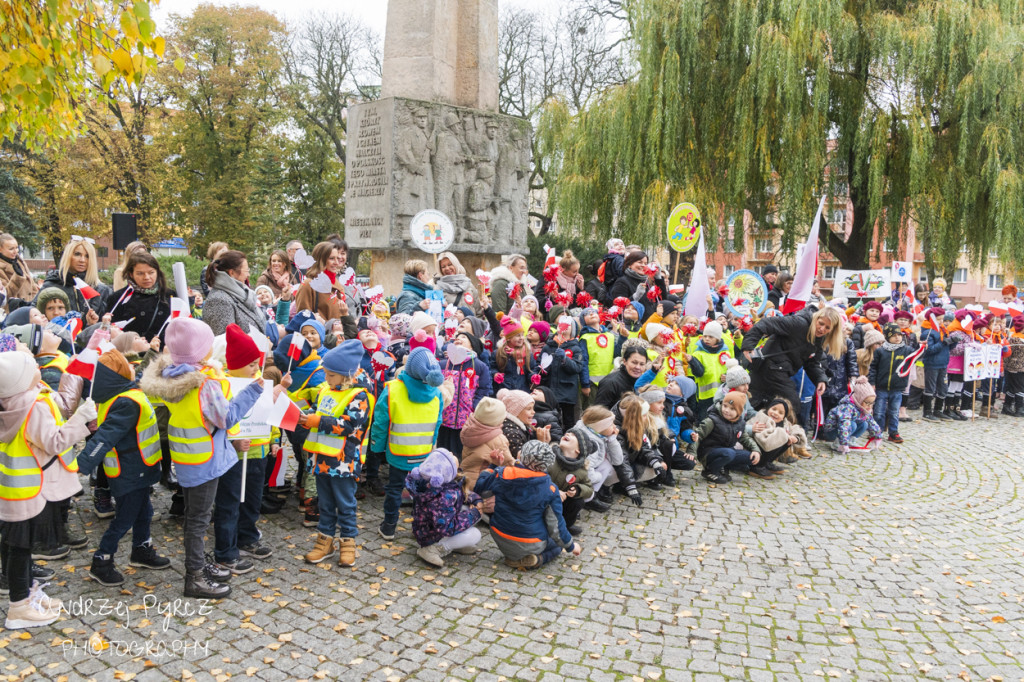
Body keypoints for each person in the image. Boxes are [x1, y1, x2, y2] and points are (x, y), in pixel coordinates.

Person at [139, 317, 264, 598]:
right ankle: (194, 576)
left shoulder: (175, 375)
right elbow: (227, 417)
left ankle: (199, 566)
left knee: (197, 516)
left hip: (189, 457)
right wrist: (254, 391)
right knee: (197, 519)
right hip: (205, 460)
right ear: (201, 351)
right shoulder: (204, 383)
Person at [0, 351, 95, 628]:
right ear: (22, 379)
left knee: (14, 546)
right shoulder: (33, 406)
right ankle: (19, 607)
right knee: (21, 548)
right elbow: (54, 442)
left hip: (14, 490)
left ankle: (29, 592)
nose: (38, 368)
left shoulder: (10, 403)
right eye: (32, 368)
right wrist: (81, 418)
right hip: (32, 490)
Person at [75, 349, 169, 586]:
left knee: (144, 512)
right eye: (126, 367)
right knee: (125, 517)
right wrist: (83, 463)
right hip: (128, 470)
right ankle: (102, 560)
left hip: (138, 467)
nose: (131, 369)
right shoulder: (126, 402)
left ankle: (141, 550)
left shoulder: (123, 395)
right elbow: (105, 436)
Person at [300, 340, 374, 568]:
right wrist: (305, 415)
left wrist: (316, 420)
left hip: (344, 461)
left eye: (330, 375)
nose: (326, 378)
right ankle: (325, 541)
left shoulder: (360, 395)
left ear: (346, 375)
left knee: (345, 504)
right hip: (321, 459)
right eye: (325, 373)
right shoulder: (326, 388)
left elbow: (348, 425)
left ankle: (348, 543)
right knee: (325, 502)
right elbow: (319, 410)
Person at [369, 347, 445, 541]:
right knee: (420, 493)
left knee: (394, 489)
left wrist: (377, 447)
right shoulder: (437, 393)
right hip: (423, 452)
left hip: (398, 452)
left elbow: (380, 421)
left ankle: (389, 526)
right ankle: (420, 526)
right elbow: (437, 424)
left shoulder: (392, 388)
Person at [474, 441, 581, 570]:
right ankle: (538, 559)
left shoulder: (502, 474)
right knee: (558, 546)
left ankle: (515, 558)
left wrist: (493, 466)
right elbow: (556, 527)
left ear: (521, 456)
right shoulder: (551, 490)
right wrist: (571, 546)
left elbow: (481, 489)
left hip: (499, 533)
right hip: (531, 542)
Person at [740, 306, 844, 410]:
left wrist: (820, 379)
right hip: (769, 367)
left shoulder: (820, 339)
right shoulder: (799, 323)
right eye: (821, 323)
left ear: (832, 330)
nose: (822, 329)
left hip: (779, 371)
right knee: (791, 406)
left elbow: (812, 363)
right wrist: (748, 346)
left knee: (755, 405)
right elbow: (766, 323)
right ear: (816, 318)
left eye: (827, 328)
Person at [406, 449, 484, 568]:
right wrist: (473, 514)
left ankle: (454, 544)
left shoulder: (447, 481)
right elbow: (446, 527)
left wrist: (475, 500)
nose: (453, 454)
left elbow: (463, 492)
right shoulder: (442, 497)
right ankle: (433, 549)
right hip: (431, 535)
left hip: (431, 528)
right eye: (451, 457)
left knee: (471, 510)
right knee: (475, 534)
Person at [686, 391, 761, 484]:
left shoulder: (740, 423)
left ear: (739, 412)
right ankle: (709, 471)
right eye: (725, 406)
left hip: (726, 451)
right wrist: (691, 452)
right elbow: (698, 435)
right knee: (729, 453)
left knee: (750, 457)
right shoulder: (712, 420)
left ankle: (722, 468)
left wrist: (756, 450)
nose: (726, 410)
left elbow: (745, 438)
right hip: (708, 453)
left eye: (732, 409)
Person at [39, 236, 109, 324]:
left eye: (87, 256)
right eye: (77, 254)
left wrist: (91, 326)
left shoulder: (101, 290)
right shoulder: (51, 284)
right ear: (68, 256)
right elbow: (35, 313)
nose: (82, 260)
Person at [294, 242, 357, 338]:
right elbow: (303, 320)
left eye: (338, 258)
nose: (336, 262)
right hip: (319, 342)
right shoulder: (308, 285)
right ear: (321, 260)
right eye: (332, 258)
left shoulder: (338, 285)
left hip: (338, 341)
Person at [108, 251, 171, 341]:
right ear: (131, 274)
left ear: (157, 272)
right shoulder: (119, 298)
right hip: (130, 352)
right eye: (140, 273)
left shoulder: (169, 295)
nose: (146, 277)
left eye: (151, 272)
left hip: (163, 352)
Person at [545, 427, 596, 535]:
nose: (568, 434)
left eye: (573, 436)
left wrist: (578, 489)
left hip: (562, 501)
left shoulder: (581, 470)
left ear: (578, 450)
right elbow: (538, 477)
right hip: (544, 495)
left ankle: (566, 525)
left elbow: (589, 489)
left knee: (578, 501)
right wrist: (553, 491)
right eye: (568, 432)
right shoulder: (549, 456)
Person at [202, 250, 265, 336]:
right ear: (232, 272)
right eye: (246, 270)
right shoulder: (219, 301)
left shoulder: (241, 295)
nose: (248, 275)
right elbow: (224, 343)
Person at [460, 397, 513, 493]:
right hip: (483, 483)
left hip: (466, 479)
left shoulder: (470, 429)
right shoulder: (498, 440)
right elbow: (509, 464)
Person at [543, 317, 585, 430]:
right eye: (561, 324)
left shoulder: (576, 348)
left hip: (567, 390)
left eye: (568, 325)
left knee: (568, 419)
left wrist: (565, 359)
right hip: (551, 389)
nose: (564, 328)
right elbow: (541, 364)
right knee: (552, 418)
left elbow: (577, 367)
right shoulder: (549, 346)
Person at [822, 377, 883, 453]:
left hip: (845, 431)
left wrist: (877, 436)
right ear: (859, 399)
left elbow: (871, 422)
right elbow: (844, 425)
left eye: (872, 403)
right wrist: (843, 443)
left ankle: (850, 440)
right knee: (852, 424)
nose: (870, 406)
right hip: (832, 432)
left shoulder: (863, 408)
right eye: (867, 402)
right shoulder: (847, 407)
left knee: (865, 424)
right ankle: (837, 443)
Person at [607, 250, 668, 322]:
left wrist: (658, 278)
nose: (643, 265)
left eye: (645, 263)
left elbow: (663, 299)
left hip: (648, 324)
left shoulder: (645, 281)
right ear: (629, 264)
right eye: (640, 262)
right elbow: (619, 308)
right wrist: (636, 296)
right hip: (631, 326)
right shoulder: (622, 282)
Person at [919, 306, 952, 422]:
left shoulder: (943, 330)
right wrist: (943, 343)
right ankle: (927, 412)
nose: (941, 322)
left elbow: (948, 348)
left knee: (943, 387)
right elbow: (929, 350)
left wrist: (953, 342)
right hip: (932, 364)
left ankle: (938, 410)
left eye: (942, 319)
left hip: (943, 363)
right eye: (938, 319)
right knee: (930, 388)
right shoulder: (927, 332)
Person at [498, 388, 549, 459]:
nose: (533, 412)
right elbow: (524, 460)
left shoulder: (521, 426)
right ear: (515, 411)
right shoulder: (511, 432)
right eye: (529, 409)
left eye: (533, 408)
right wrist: (541, 443)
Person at [594, 342, 648, 409]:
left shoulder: (642, 382)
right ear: (624, 361)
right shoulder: (610, 382)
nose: (638, 367)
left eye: (642, 364)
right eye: (634, 362)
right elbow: (598, 412)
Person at [0, 234, 39, 309]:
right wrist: (17, 277)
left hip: (30, 308)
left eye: (17, 248)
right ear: (0, 249)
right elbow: (4, 296)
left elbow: (31, 285)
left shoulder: (19, 261)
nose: (15, 251)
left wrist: (35, 302)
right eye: (11, 249)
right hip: (13, 311)